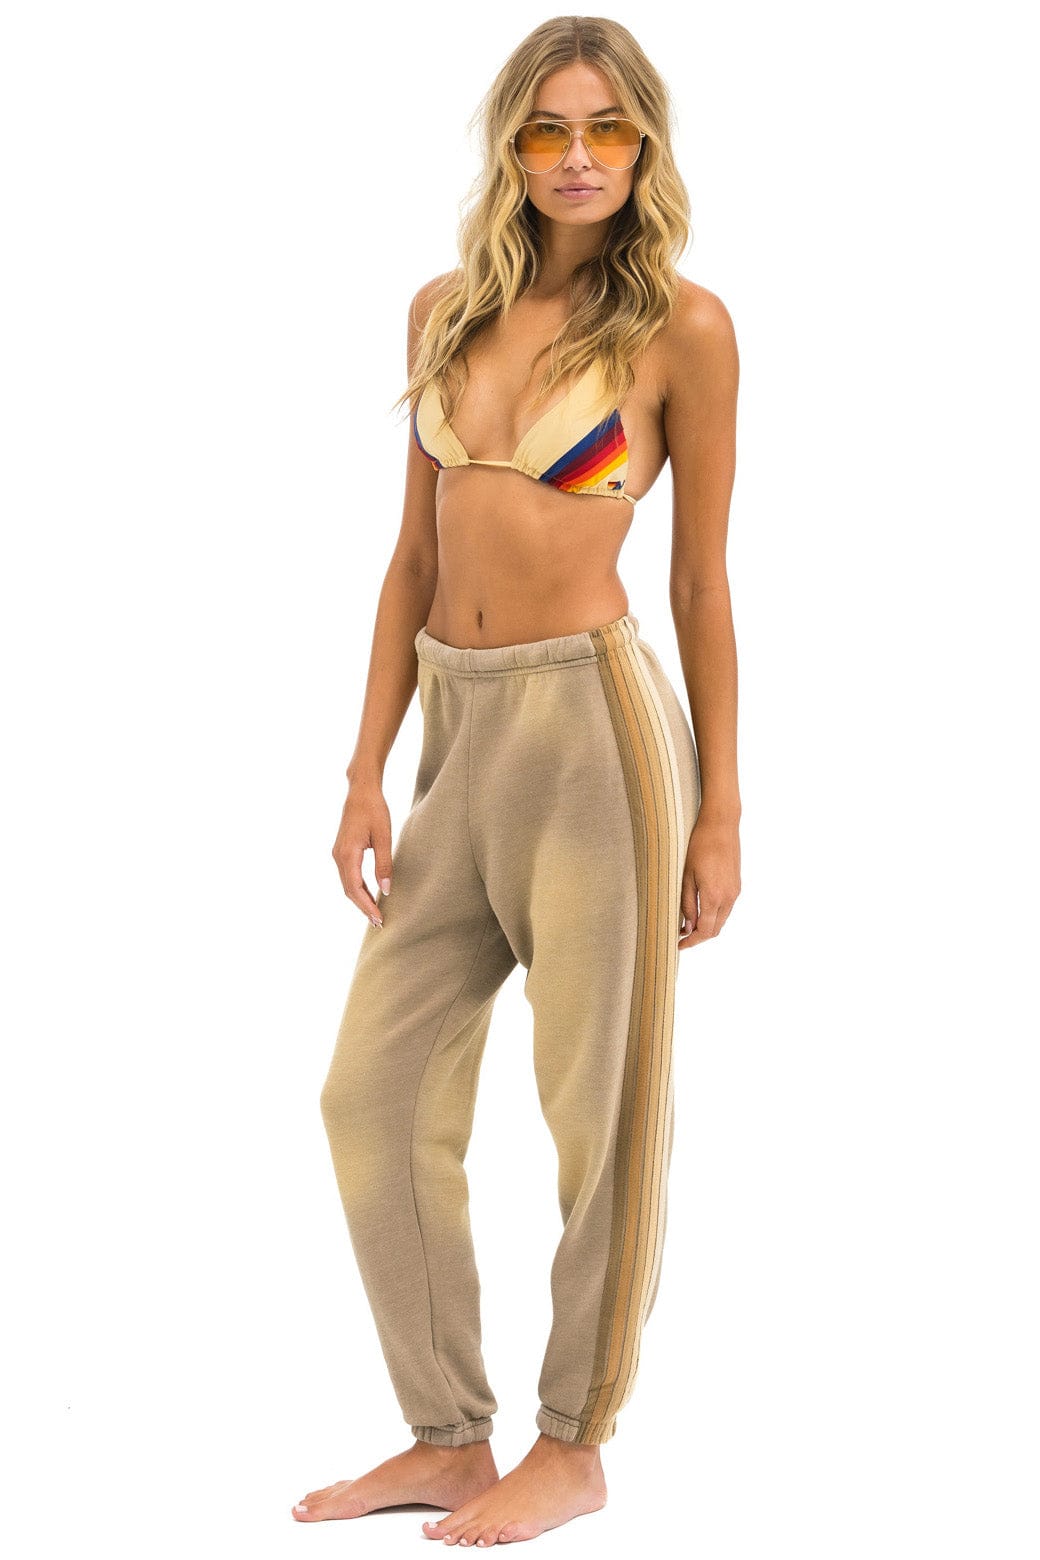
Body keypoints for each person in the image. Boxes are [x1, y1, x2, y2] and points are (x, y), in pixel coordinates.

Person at [293, 15, 741, 1548]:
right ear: (512, 147)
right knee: (371, 1094)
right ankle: (449, 1436)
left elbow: (700, 585)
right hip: (456, 734)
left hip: (594, 736)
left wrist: (723, 810)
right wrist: (366, 772)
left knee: (596, 1107)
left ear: (644, 145)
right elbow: (410, 561)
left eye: (606, 129)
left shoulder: (683, 330)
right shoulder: (441, 311)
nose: (576, 157)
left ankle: (576, 1441)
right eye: (547, 129)